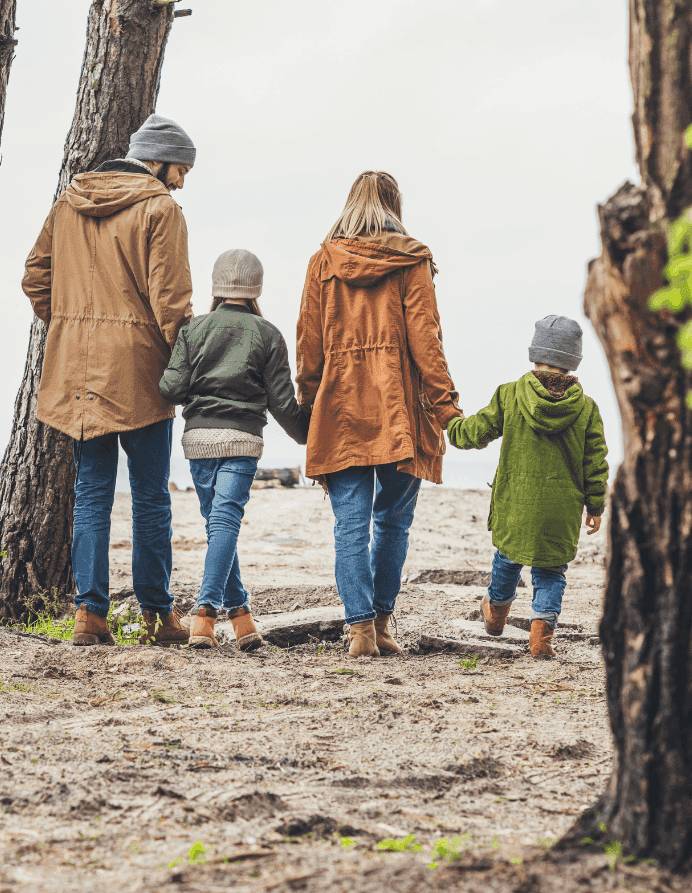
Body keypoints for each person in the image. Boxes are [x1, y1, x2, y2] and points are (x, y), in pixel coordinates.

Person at [22, 113, 196, 647]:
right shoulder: (160, 209)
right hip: (141, 369)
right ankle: (157, 615)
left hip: (75, 369)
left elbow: (35, 276)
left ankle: (89, 615)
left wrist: (69, 323)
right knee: (149, 496)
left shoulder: (67, 204)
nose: (183, 181)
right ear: (158, 161)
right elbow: (172, 302)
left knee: (91, 491)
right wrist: (185, 367)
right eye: (182, 168)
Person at [295, 171, 460, 658]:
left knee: (350, 526)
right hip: (399, 408)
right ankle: (382, 623)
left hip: (339, 405)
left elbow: (308, 344)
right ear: (394, 206)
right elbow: (425, 339)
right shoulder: (411, 259)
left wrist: (308, 404)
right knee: (392, 524)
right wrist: (446, 405)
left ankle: (360, 631)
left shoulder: (322, 262)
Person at [158, 249, 308, 652]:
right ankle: (204, 615)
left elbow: (170, 389)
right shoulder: (268, 334)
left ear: (216, 285)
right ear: (256, 288)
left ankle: (241, 618)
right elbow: (282, 403)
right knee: (224, 525)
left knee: (218, 525)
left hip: (198, 440)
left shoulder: (194, 329)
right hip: (243, 441)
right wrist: (307, 433)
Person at [447, 315, 608, 659]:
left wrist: (452, 424)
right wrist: (595, 506)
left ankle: (495, 615)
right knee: (551, 573)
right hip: (561, 512)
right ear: (573, 360)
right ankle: (540, 640)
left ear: (534, 353)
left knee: (506, 559)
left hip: (516, 506)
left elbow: (474, 433)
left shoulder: (510, 395)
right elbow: (595, 464)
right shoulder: (587, 409)